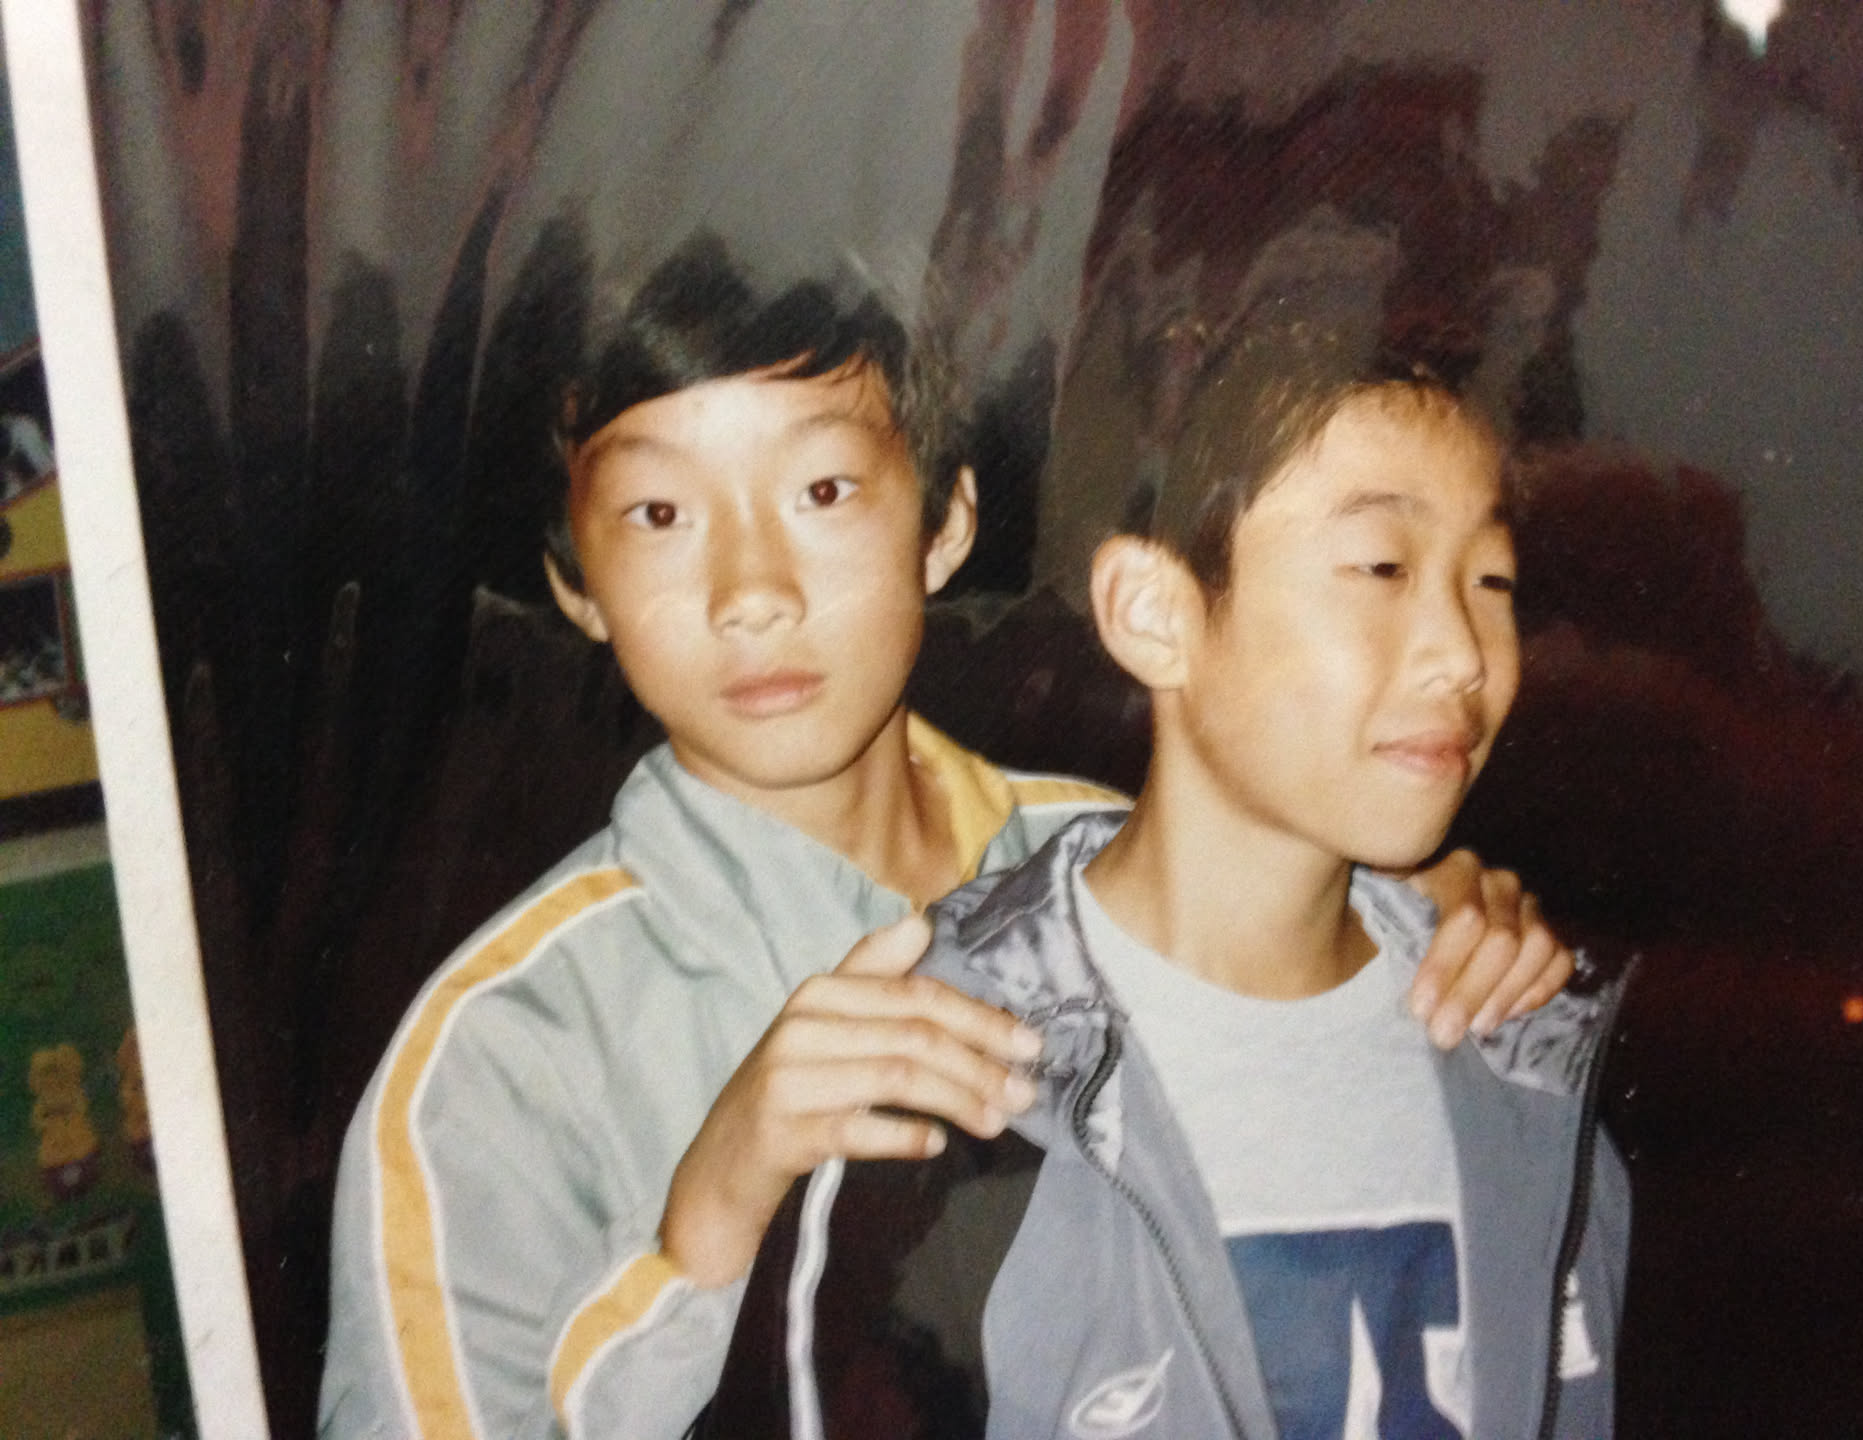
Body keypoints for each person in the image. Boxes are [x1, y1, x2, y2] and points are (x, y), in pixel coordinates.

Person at [318, 240, 1577, 1440]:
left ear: (946, 522)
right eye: (658, 513)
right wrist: (707, 1232)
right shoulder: (502, 1049)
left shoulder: (1113, 859)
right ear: (574, 582)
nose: (752, 591)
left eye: (823, 491)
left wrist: (1412, 917)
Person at [704, 306, 1630, 1439]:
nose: (1461, 654)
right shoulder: (953, 1078)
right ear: (1154, 614)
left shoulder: (1526, 1063)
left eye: (1492, 581)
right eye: (1382, 566)